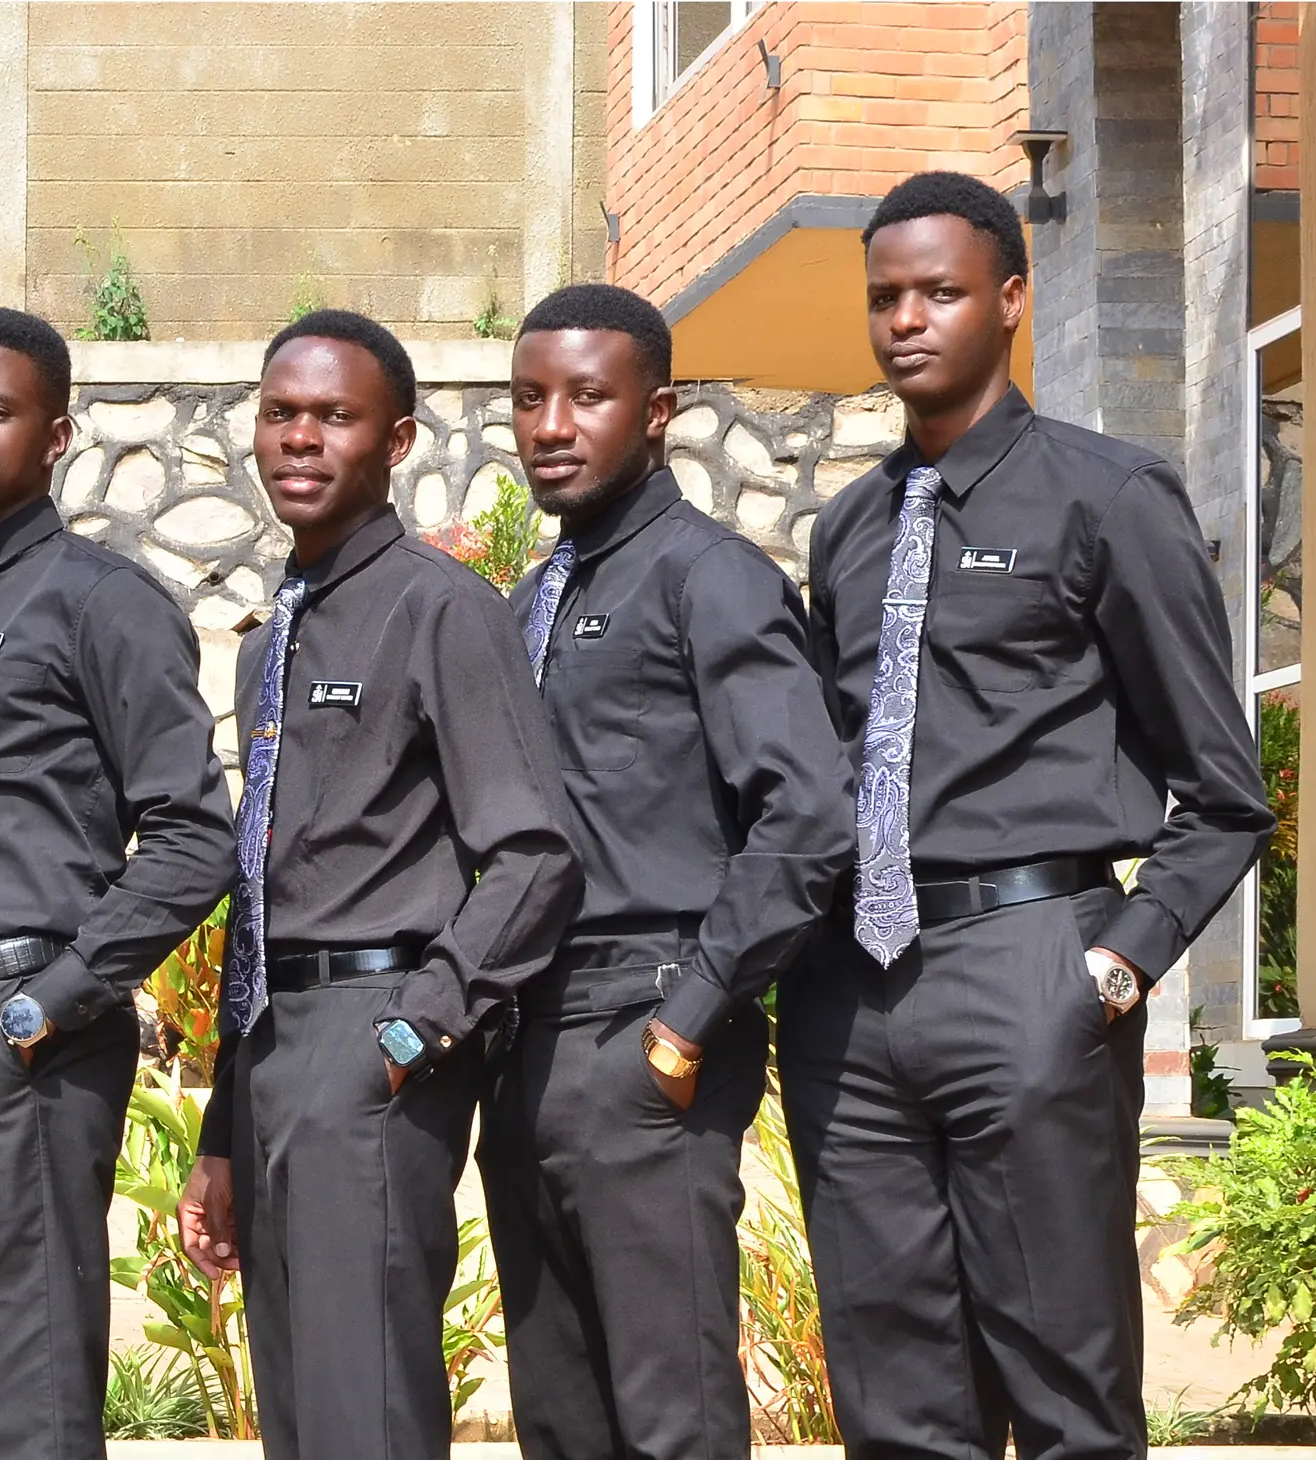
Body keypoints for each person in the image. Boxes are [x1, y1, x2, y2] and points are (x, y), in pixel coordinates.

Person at [789, 173, 1270, 1458]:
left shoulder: (1108, 496)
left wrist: (1115, 964)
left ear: (1010, 299)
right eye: (885, 295)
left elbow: (1225, 790)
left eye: (939, 291)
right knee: (893, 1398)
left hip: (1033, 964)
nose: (907, 320)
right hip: (853, 993)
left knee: (1067, 1383)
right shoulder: (847, 529)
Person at [174, 309, 583, 1460]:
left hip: (376, 1039)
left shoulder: (441, 608)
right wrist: (220, 1123)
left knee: (367, 1412)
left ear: (395, 439)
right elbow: (265, 900)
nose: (298, 440)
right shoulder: (272, 639)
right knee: (300, 1414)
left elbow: (535, 853)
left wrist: (416, 1028)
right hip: (271, 1050)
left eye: (333, 418)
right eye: (279, 413)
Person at [0, 307, 235, 1460]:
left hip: (27, 1044)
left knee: (32, 1412)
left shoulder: (102, 603)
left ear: (57, 434)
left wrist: (44, 1006)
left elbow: (191, 836)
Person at [477, 284, 853, 1460]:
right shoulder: (535, 596)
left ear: (657, 410)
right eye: (531, 397)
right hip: (525, 1040)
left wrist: (688, 1017)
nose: (551, 423)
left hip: (646, 1030)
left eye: (587, 396)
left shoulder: (711, 578)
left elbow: (808, 814)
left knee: (671, 1413)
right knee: (560, 1415)